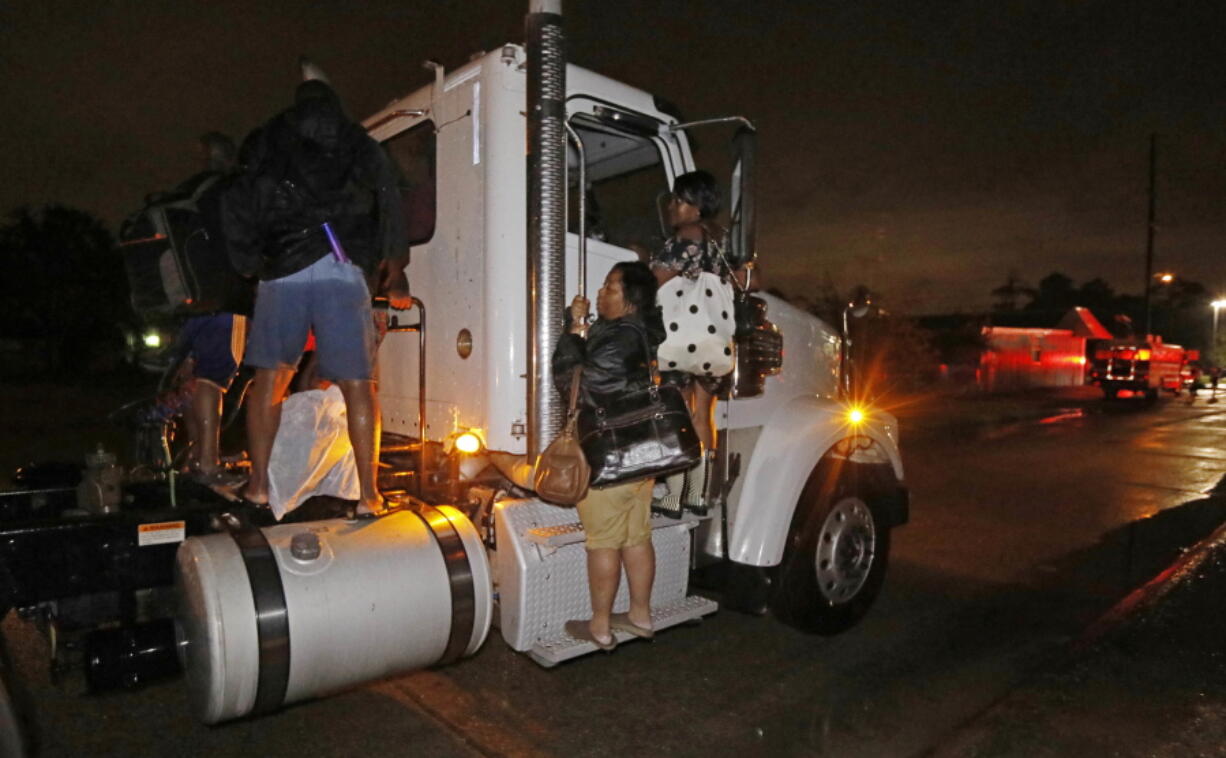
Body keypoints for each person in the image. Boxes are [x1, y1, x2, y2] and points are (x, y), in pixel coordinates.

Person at [224, 71, 410, 515]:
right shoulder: (355, 139)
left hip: (281, 273)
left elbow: (237, 199)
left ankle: (258, 488)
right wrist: (395, 266)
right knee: (358, 386)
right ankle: (368, 495)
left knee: (269, 380)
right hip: (339, 267)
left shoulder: (267, 138)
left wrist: (249, 261)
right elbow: (388, 195)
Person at [553, 261, 663, 650]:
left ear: (631, 301)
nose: (602, 293)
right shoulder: (641, 332)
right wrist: (584, 327)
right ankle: (639, 614)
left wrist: (571, 334)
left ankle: (599, 626)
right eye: (603, 286)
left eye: (611, 288)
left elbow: (579, 385)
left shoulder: (619, 339)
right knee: (636, 537)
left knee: (603, 541)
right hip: (641, 458)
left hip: (610, 457)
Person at [173, 132, 254, 487]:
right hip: (223, 300)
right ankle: (208, 463)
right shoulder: (228, 190)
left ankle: (194, 456)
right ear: (228, 158)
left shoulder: (186, 191)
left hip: (185, 301)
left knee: (192, 379)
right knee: (212, 380)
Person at [649, 169, 729, 511]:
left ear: (697, 207)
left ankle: (673, 495)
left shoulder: (684, 239)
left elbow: (658, 281)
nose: (673, 207)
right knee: (702, 417)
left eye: (680, 201)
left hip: (682, 340)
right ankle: (697, 492)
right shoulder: (718, 240)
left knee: (676, 413)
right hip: (713, 341)